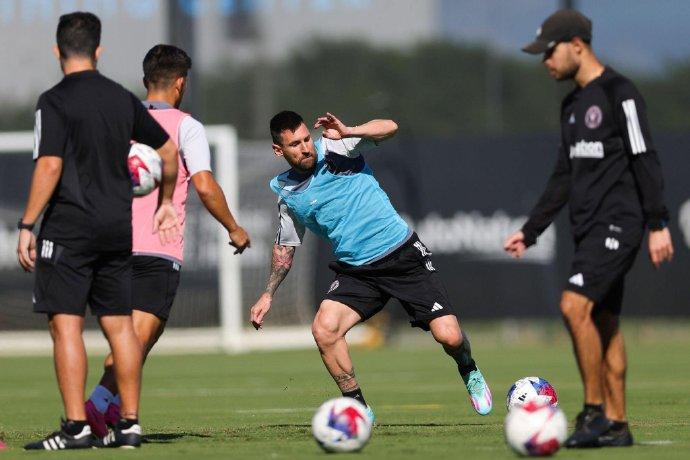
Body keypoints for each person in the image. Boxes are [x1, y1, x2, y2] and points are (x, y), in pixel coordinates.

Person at [250, 111, 492, 421]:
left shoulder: (336, 146)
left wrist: (350, 130)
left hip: (402, 256)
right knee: (324, 330)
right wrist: (268, 293)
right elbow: (285, 247)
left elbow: (390, 127)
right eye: (294, 144)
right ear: (278, 150)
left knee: (450, 338)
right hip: (358, 272)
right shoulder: (287, 193)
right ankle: (358, 408)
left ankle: (468, 369)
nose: (305, 147)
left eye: (306, 139)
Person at [504, 9, 673, 448]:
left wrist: (657, 222)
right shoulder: (571, 105)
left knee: (573, 306)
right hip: (586, 228)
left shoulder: (621, 93)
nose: (545, 61)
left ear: (577, 45)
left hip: (620, 223)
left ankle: (593, 412)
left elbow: (644, 156)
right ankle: (617, 425)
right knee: (604, 322)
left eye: (549, 52)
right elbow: (564, 175)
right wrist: (532, 229)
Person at [17, 12, 180, 450]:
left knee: (66, 325)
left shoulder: (53, 100)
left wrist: (28, 223)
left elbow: (50, 165)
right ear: (98, 50)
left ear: (57, 51)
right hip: (115, 229)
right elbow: (168, 149)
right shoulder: (121, 98)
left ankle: (76, 428)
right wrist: (165, 203)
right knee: (120, 327)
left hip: (68, 228)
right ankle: (129, 426)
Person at [83, 44, 251, 437]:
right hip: (155, 248)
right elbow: (204, 185)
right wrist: (233, 227)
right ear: (181, 84)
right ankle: (96, 407)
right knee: (135, 340)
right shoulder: (185, 126)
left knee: (143, 336)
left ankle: (108, 408)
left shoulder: (116, 121)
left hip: (109, 246)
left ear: (145, 81)